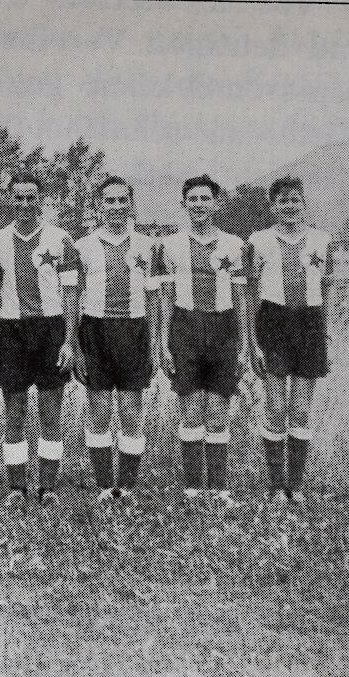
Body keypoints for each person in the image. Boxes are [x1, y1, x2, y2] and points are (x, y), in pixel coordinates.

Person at [0, 173, 79, 509]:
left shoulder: (60, 239)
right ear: (9, 200)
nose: (25, 204)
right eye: (18, 198)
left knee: (51, 412)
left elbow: (72, 293)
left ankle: (48, 486)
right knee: (14, 411)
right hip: (12, 331)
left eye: (31, 197)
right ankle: (16, 486)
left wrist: (69, 340)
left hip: (51, 328)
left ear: (42, 200)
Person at [160, 175, 249, 507]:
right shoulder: (169, 246)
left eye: (204, 198)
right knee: (191, 410)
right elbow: (166, 297)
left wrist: (243, 344)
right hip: (185, 328)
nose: (198, 204)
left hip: (223, 328)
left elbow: (242, 298)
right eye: (192, 199)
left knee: (218, 411)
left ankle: (220, 488)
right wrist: (165, 342)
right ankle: (194, 488)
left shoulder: (234, 245)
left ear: (216, 203)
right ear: (184, 204)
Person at [246, 176, 334, 505]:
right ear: (272, 207)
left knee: (299, 410)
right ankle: (275, 484)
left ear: (304, 203)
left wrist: (323, 327)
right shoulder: (258, 241)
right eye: (282, 201)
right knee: (275, 408)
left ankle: (294, 484)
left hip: (309, 323)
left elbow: (326, 286)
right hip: (272, 322)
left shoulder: (321, 241)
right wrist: (253, 339)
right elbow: (250, 292)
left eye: (295, 200)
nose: (289, 207)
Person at [74, 176, 161, 504]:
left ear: (131, 203)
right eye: (109, 201)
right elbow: (72, 297)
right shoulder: (82, 247)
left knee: (131, 412)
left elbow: (153, 297)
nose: (116, 207)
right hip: (95, 331)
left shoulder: (146, 246)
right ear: (99, 205)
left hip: (134, 330)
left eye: (122, 200)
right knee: (97, 412)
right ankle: (103, 486)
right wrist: (77, 344)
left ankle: (125, 487)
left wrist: (153, 342)